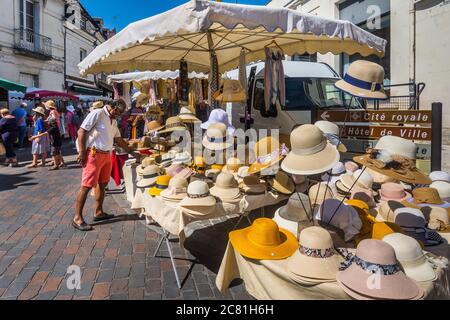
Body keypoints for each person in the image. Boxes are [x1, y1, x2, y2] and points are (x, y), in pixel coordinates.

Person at [73, 99, 141, 231]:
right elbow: (81, 131)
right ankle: (77, 218)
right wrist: (81, 152)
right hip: (93, 154)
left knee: (103, 184)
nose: (119, 115)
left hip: (107, 154)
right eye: (118, 112)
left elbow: (118, 139)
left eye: (121, 113)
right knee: (86, 186)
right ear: (113, 107)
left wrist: (131, 152)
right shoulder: (98, 113)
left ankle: (98, 212)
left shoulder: (113, 120)